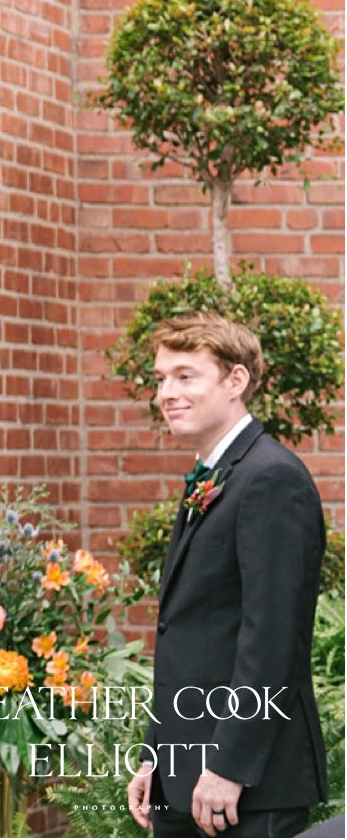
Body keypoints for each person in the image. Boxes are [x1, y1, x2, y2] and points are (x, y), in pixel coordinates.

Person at [125, 314, 327, 838]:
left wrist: (229, 767)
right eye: (161, 378)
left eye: (186, 376)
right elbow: (194, 638)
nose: (166, 392)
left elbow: (273, 642)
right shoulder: (216, 476)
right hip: (186, 775)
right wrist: (157, 757)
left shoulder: (271, 479)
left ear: (235, 382)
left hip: (242, 791)